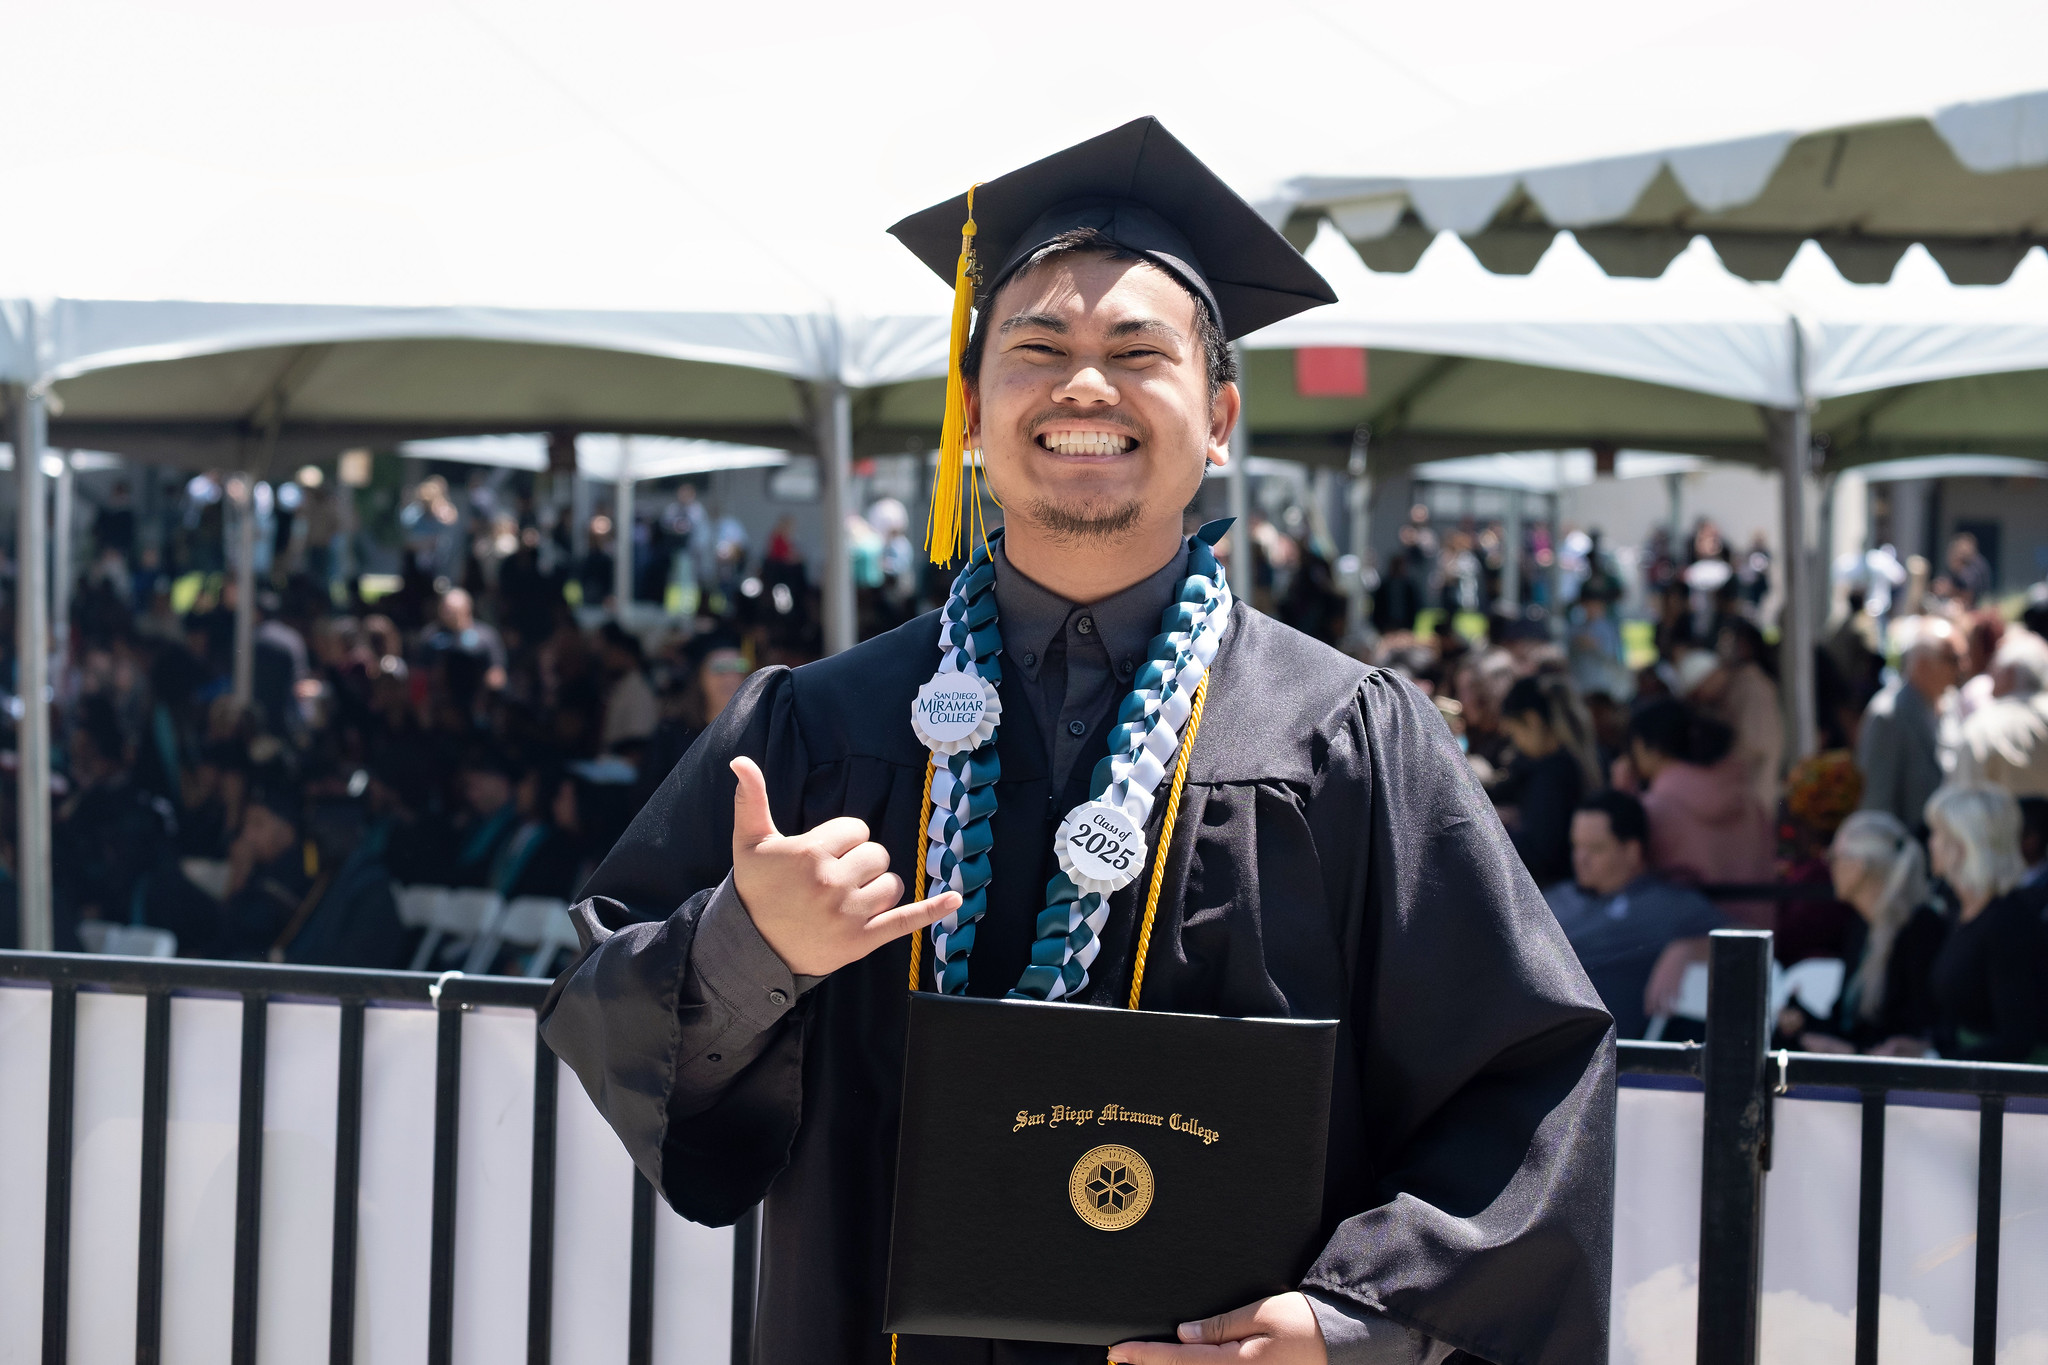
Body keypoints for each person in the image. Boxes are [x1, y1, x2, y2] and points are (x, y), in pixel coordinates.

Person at [541, 120, 1614, 1365]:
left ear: (1216, 417)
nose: (1082, 387)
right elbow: (593, 1005)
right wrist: (745, 945)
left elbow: (1526, 1076)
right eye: (1036, 348)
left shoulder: (1342, 740)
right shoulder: (821, 727)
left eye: (1132, 353)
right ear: (972, 412)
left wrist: (1347, 1323)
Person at [1544, 791, 1724, 1040]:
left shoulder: (1664, 904)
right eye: (1576, 846)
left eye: (1595, 849)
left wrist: (1687, 949)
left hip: (1593, 1057)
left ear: (1631, 851)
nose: (1580, 859)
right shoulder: (1555, 897)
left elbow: (1746, 939)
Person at [1778, 811, 1947, 1055]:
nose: (1828, 865)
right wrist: (1801, 1019)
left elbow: (1913, 1035)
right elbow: (1846, 1025)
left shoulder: (1921, 928)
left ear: (1858, 867)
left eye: (1833, 856)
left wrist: (1851, 1052)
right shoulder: (1861, 924)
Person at [1621, 699, 1775, 929]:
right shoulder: (1750, 801)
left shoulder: (1653, 809)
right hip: (1761, 937)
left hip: (1690, 946)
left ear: (1643, 745)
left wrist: (1621, 798)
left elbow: (1626, 873)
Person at [1924, 783, 2048, 1063]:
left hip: (2009, 1097)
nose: (1931, 843)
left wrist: (1936, 1059)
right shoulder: (1963, 912)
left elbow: (2016, 1040)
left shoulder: (2008, 923)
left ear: (1963, 844)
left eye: (1938, 833)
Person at [1494, 676, 1596, 889]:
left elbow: (1541, 853)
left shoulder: (1552, 776)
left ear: (1532, 720)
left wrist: (1501, 829)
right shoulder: (1582, 759)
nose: (1516, 744)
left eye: (1514, 733)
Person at [1858, 619, 1961, 830]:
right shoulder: (1887, 715)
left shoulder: (1950, 704)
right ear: (1923, 665)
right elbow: (1876, 804)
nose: (1963, 667)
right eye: (1953, 659)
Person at [1693, 618, 1784, 813]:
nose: (1720, 648)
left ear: (1745, 646)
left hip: (1752, 794)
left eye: (1728, 642)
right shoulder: (1740, 682)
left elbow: (1753, 745)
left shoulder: (1752, 686)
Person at [1954, 629, 2048, 797]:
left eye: (1994, 668)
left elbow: (1962, 800)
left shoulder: (1980, 729)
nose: (1990, 675)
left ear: (2010, 673)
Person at [598, 622, 659, 752]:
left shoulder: (638, 689)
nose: (608, 658)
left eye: (615, 653)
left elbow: (639, 739)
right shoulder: (622, 685)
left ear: (629, 656)